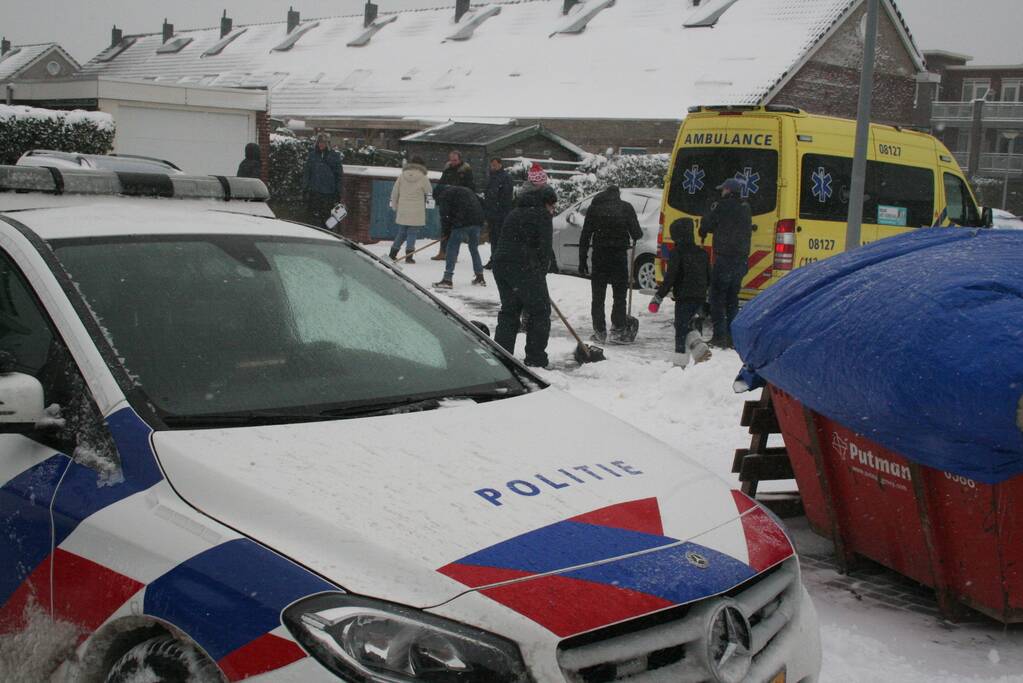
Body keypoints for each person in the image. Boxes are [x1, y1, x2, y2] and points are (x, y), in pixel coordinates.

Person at [493, 185, 557, 368]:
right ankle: (536, 359)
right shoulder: (542, 215)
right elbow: (544, 248)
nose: (553, 211)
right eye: (552, 206)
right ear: (546, 203)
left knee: (509, 311)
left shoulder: (515, 212)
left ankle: (502, 357)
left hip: (501, 265)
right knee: (540, 312)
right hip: (524, 267)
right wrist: (540, 274)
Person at [578, 186, 643, 343]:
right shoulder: (626, 207)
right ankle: (618, 329)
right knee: (619, 295)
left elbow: (585, 235)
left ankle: (600, 331)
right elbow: (637, 233)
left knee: (598, 296)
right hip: (619, 256)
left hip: (599, 256)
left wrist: (582, 260)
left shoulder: (594, 208)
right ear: (617, 195)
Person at [648, 218, 712, 367]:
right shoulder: (702, 253)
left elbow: (670, 278)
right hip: (700, 297)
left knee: (681, 331)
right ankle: (699, 351)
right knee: (688, 326)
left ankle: (680, 364)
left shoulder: (676, 253)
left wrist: (658, 297)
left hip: (684, 297)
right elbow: (710, 277)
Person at [699, 177, 753, 348]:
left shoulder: (722, 206)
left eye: (723, 189)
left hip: (724, 259)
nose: (721, 192)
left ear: (728, 190)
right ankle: (731, 337)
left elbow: (707, 225)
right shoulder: (746, 208)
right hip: (741, 260)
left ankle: (719, 336)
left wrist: (709, 209)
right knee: (732, 299)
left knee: (716, 298)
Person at [432, 184, 486, 289]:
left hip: (461, 223)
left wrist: (446, 233)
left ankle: (447, 279)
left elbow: (445, 217)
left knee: (452, 248)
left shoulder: (444, 196)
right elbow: (482, 203)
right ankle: (480, 277)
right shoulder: (466, 189)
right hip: (477, 221)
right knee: (473, 248)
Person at [388, 156, 433, 263]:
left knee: (401, 232)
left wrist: (394, 205)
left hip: (403, 209)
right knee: (412, 233)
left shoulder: (402, 176)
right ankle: (409, 256)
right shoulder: (423, 177)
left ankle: (392, 254)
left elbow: (395, 192)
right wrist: (430, 204)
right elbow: (429, 192)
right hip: (416, 210)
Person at [432, 150, 476, 261]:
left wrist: (455, 191)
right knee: (444, 229)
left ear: (460, 159)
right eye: (451, 160)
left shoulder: (466, 172)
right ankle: (442, 252)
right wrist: (438, 195)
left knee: (455, 230)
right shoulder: (447, 170)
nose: (453, 162)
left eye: (455, 160)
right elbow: (440, 184)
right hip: (446, 204)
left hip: (458, 205)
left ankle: (453, 254)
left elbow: (470, 188)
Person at [303, 133, 344, 229]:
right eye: (319, 142)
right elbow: (307, 173)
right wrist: (305, 188)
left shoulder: (334, 156)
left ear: (328, 143)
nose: (321, 144)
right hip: (315, 191)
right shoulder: (312, 156)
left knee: (328, 218)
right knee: (313, 218)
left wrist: (338, 192)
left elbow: (339, 175)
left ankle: (327, 233)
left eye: (324, 142)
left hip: (329, 193)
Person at [483, 157, 514, 270]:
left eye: (495, 165)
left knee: (499, 238)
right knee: (493, 238)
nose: (493, 167)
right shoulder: (492, 177)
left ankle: (499, 261)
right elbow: (488, 194)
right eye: (492, 165)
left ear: (500, 165)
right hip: (492, 213)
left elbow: (506, 196)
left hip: (501, 214)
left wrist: (498, 209)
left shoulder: (505, 177)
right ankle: (494, 259)